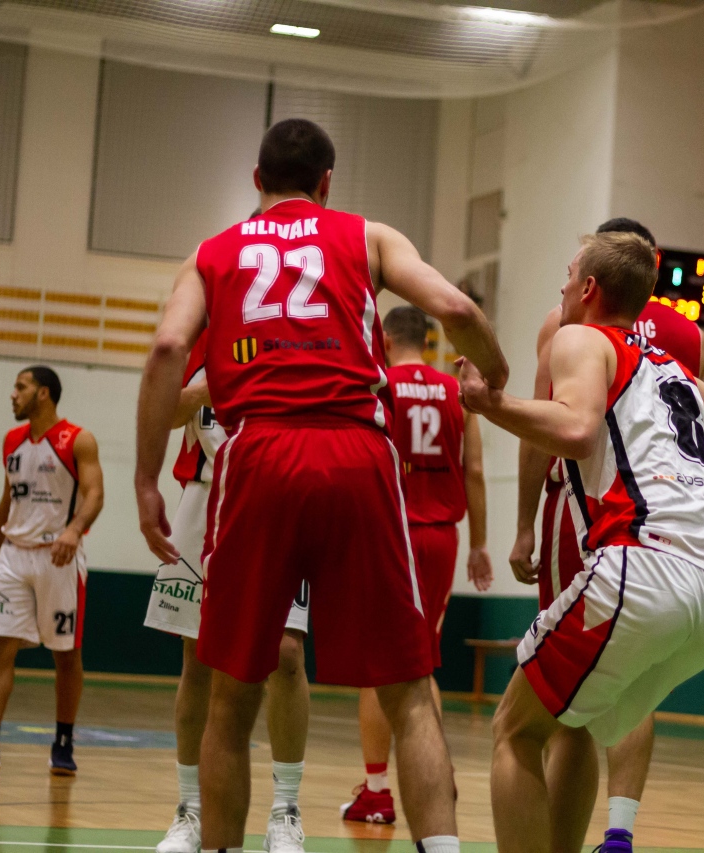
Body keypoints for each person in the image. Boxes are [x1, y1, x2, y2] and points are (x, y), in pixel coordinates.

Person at [134, 118, 508, 853]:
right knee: (409, 692)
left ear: (256, 180)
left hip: (258, 453)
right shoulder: (367, 237)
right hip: (356, 450)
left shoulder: (211, 253)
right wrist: (491, 371)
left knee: (230, 695)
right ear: (327, 182)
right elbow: (458, 310)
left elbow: (168, 346)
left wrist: (147, 478)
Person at [458, 231, 704, 853]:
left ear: (588, 288)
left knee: (514, 731)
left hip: (641, 570)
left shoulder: (579, 338)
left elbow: (577, 430)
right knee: (576, 722)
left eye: (568, 274)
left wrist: (492, 403)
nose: (561, 286)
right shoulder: (677, 373)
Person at [507, 217, 704, 850]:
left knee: (556, 704)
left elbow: (547, 426)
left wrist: (524, 526)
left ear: (593, 280)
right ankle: (620, 829)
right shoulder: (687, 335)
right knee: (624, 677)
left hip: (587, 510)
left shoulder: (568, 326)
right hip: (673, 526)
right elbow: (700, 431)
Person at [144, 330, 312, 853]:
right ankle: (190, 811)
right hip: (203, 498)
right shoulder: (199, 338)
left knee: (286, 655)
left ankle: (286, 810)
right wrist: (215, 381)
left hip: (280, 495)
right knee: (198, 660)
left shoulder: (299, 331)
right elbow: (167, 413)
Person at [341, 306, 494, 825]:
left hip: (390, 532)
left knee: (379, 664)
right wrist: (480, 544)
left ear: (385, 339)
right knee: (422, 662)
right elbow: (475, 469)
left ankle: (377, 791)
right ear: (428, 342)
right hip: (441, 536)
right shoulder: (456, 392)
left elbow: (359, 460)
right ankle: (436, 774)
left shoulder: (379, 385)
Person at [0, 366, 104, 777]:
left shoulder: (77, 439)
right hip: (13, 556)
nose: (13, 394)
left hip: (58, 557)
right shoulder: (12, 440)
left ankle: (63, 742)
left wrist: (74, 530)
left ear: (43, 393)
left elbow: (95, 494)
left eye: (21, 387)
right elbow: (7, 498)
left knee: (65, 654)